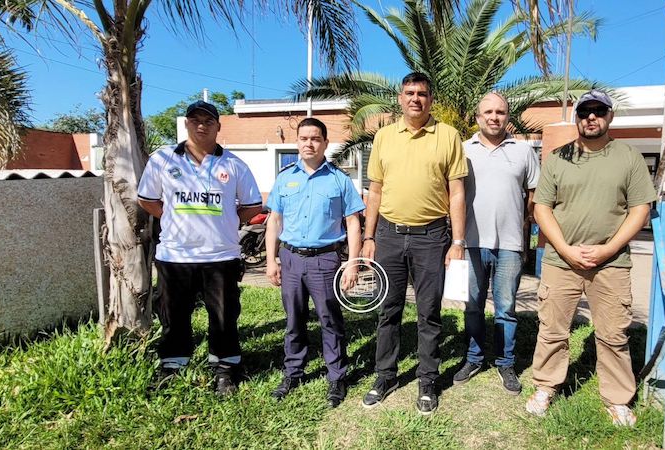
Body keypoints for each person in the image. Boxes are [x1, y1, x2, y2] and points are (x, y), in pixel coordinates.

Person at [526, 89, 656, 426]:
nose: (591, 117)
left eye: (599, 111)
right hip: (560, 261)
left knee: (613, 334)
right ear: (577, 117)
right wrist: (567, 250)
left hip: (611, 263)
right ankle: (546, 386)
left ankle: (617, 399)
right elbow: (542, 208)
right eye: (585, 111)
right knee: (552, 329)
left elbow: (640, 209)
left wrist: (609, 248)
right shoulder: (558, 158)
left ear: (610, 116)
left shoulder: (628, 158)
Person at [360, 72, 468, 415]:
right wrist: (368, 236)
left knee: (429, 313)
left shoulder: (448, 136)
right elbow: (374, 191)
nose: (415, 99)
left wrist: (458, 241)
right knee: (388, 310)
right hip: (389, 236)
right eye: (409, 93)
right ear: (400, 97)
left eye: (422, 93)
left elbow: (457, 194)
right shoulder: (383, 137)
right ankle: (385, 375)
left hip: (432, 237)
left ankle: (427, 381)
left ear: (430, 98)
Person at [138, 100, 262, 396]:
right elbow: (147, 199)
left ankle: (225, 370)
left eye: (208, 120)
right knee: (174, 316)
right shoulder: (163, 159)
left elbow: (252, 206)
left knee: (223, 316)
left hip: (221, 257)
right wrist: (170, 215)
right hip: (175, 256)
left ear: (219, 126)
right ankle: (172, 365)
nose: (202, 125)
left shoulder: (233, 165)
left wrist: (229, 221)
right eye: (195, 120)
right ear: (186, 124)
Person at [265, 117, 365, 408]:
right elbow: (274, 221)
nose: (309, 143)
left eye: (315, 138)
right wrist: (272, 260)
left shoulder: (339, 179)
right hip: (291, 259)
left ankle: (336, 376)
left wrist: (353, 263)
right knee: (294, 319)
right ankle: (293, 372)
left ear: (325, 143)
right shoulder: (285, 178)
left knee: (329, 319)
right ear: (297, 142)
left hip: (325, 260)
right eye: (303, 138)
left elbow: (353, 223)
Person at [452, 92, 539, 394]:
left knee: (506, 309)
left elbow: (533, 198)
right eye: (488, 112)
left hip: (510, 246)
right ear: (477, 117)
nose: (494, 117)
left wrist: (527, 239)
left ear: (508, 116)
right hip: (471, 243)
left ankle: (505, 362)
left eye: (500, 112)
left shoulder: (524, 151)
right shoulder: (462, 151)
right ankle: (474, 358)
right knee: (472, 307)